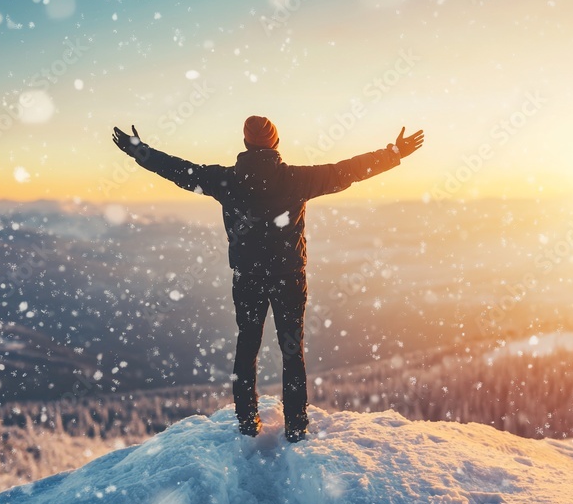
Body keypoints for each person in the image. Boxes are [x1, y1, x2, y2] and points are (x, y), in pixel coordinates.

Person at [112, 117, 424, 442]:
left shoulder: (226, 180)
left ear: (246, 143)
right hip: (289, 278)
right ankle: (296, 426)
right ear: (275, 143)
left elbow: (181, 171)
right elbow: (347, 171)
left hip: (247, 278)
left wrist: (141, 152)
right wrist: (392, 153)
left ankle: (248, 422)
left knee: (247, 346)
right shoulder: (296, 179)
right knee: (292, 351)